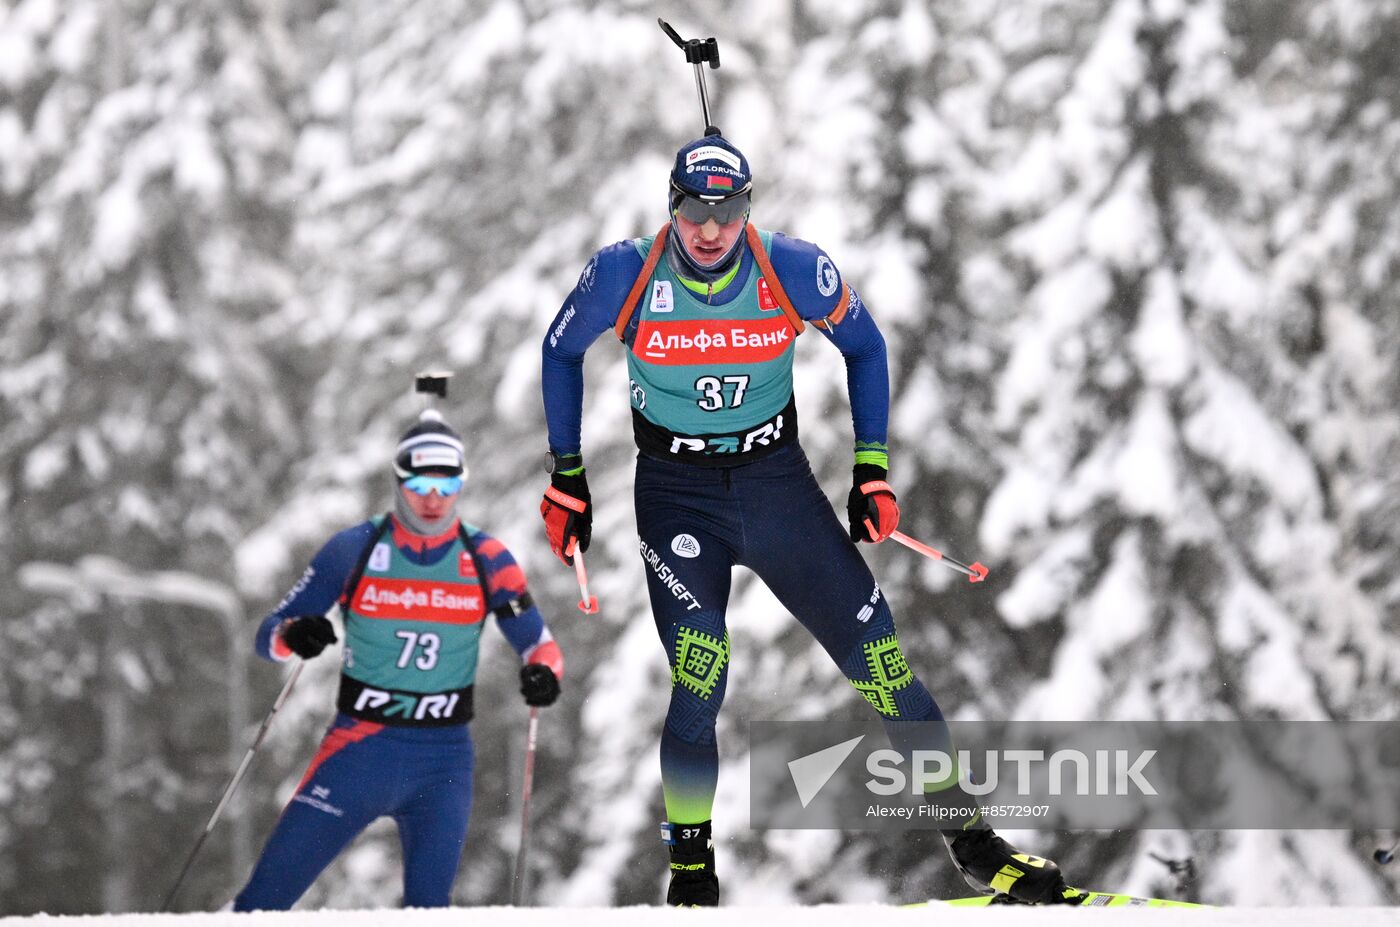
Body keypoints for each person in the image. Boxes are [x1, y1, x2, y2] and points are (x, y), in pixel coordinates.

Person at [538, 134, 1077, 906]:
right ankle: (691, 869)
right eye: (696, 211)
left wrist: (872, 468)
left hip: (775, 488)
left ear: (748, 209)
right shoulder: (626, 272)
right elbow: (560, 352)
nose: (711, 230)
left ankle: (973, 840)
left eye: (728, 211)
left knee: (882, 661)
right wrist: (567, 478)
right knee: (701, 668)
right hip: (676, 495)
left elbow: (866, 345)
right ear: (672, 206)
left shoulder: (791, 267)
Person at [233, 409, 564, 911]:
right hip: (358, 752)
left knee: (430, 911)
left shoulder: (486, 557)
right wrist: (295, 634)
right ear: (399, 481)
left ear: (460, 484)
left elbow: (540, 645)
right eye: (420, 486)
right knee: (260, 907)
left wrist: (542, 674)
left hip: (443, 765)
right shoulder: (354, 549)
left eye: (447, 485)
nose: (433, 499)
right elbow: (267, 636)